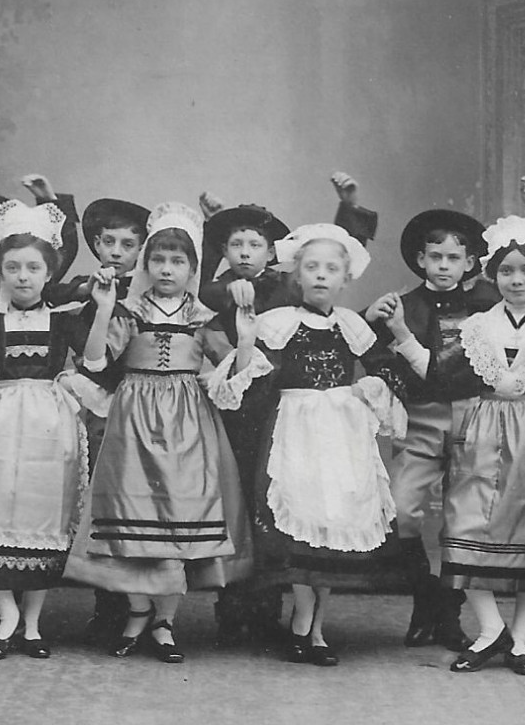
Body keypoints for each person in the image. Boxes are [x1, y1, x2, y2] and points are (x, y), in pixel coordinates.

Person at [370, 213, 525, 675]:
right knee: (463, 529)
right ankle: (488, 630)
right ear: (492, 274)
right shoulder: (479, 325)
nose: (516, 280)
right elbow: (437, 372)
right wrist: (403, 336)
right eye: (506, 271)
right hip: (477, 431)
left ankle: (519, 641)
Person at [360, 178, 525, 652]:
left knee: (462, 518)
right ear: (421, 260)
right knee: (403, 512)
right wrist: (376, 329)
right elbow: (359, 339)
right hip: (422, 419)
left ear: (471, 262)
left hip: (478, 419)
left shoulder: (488, 301)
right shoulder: (402, 305)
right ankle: (425, 599)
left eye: (455, 258)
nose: (445, 265)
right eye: (436, 258)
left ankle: (450, 615)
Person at [208, 223, 406, 665]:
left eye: (331, 268)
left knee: (335, 519)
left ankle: (317, 628)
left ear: (345, 277)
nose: (320, 276)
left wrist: (366, 390)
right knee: (304, 519)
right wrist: (244, 341)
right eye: (311, 267)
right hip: (295, 433)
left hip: (341, 435)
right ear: (296, 274)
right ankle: (301, 620)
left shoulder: (353, 325)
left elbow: (387, 371)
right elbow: (250, 383)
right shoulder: (277, 323)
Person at [63, 202, 253, 663]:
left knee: (179, 518)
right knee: (134, 514)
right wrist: (105, 310)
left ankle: (165, 622)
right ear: (147, 264)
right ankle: (137, 611)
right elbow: (95, 361)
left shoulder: (203, 317)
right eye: (160, 260)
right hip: (134, 421)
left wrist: (245, 338)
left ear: (193, 268)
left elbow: (235, 374)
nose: (168, 270)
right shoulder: (130, 311)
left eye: (178, 261)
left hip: (189, 423)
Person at [0, 201, 110, 659]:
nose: (23, 276)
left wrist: (101, 311)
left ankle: (34, 623)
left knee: (44, 514)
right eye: (12, 267)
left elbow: (95, 362)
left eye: (33, 268)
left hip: (48, 420)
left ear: (49, 273)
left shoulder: (63, 318)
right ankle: (7, 616)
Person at [53, 196, 153, 642]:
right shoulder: (83, 286)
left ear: (140, 250)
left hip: (134, 400)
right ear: (95, 244)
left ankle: (134, 602)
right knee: (97, 499)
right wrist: (87, 294)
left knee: (126, 500)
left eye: (127, 244)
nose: (116, 251)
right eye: (108, 241)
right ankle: (105, 603)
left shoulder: (147, 295)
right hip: (94, 396)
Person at [198, 203, 292, 645]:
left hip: (276, 407)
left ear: (272, 251)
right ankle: (231, 602)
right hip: (232, 407)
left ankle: (269, 604)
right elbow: (209, 294)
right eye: (236, 244)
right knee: (234, 498)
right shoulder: (217, 291)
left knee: (270, 500)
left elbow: (319, 267)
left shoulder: (283, 288)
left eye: (256, 244)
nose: (246, 252)